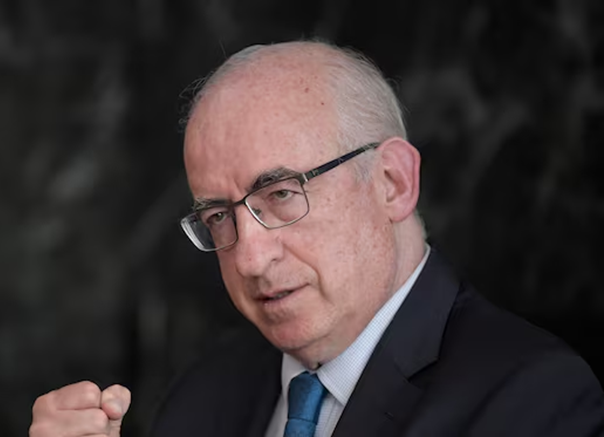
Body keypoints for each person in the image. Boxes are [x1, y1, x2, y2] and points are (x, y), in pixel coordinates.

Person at [29, 40, 604, 437]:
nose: (250, 258)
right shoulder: (203, 396)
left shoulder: (533, 399)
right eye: (219, 216)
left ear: (393, 183)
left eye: (281, 194)